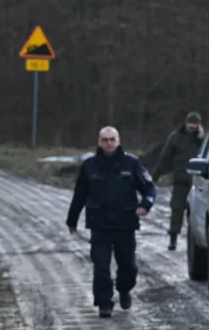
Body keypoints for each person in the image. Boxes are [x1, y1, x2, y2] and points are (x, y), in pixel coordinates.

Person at [66, 126, 157, 317]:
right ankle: (104, 303)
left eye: (112, 139)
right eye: (105, 140)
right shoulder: (89, 165)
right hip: (99, 224)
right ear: (99, 142)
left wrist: (145, 205)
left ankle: (124, 289)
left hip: (125, 223)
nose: (109, 143)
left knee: (128, 267)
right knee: (101, 266)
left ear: (119, 141)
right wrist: (72, 220)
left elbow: (149, 187)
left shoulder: (131, 163)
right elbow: (79, 195)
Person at [153, 111, 205, 250]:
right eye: (190, 123)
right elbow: (164, 158)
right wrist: (154, 177)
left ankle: (198, 241)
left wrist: (201, 139)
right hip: (181, 180)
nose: (191, 126)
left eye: (194, 124)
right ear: (185, 123)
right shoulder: (176, 138)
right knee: (177, 209)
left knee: (199, 212)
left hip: (199, 182)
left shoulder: (203, 140)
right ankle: (173, 238)